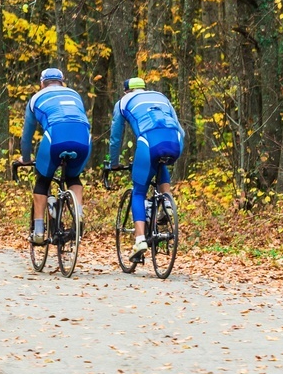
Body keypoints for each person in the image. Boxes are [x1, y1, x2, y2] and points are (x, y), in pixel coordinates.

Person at [107, 77, 184, 263]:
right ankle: (166, 204)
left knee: (138, 192)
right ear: (143, 88)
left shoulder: (123, 102)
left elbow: (116, 137)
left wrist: (114, 162)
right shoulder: (160, 97)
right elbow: (180, 128)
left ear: (126, 91)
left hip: (148, 141)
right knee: (161, 163)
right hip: (175, 141)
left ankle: (140, 239)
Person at [20, 68, 91, 245]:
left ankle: (38, 231)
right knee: (73, 177)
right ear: (62, 81)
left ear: (42, 83)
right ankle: (78, 213)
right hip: (83, 137)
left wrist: (26, 158)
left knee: (43, 180)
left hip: (56, 135)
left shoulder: (36, 98)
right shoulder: (74, 94)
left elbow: (27, 136)